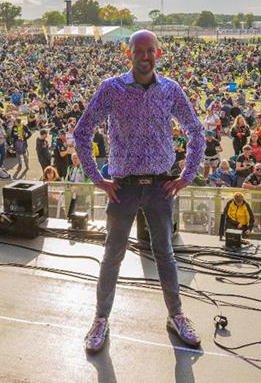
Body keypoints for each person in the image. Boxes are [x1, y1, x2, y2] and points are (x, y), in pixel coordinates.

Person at [73, 30, 204, 353]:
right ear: (128, 53)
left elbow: (196, 131)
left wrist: (186, 176)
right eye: (139, 51)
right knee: (112, 256)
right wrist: (97, 178)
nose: (145, 56)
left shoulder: (170, 89)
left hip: (161, 186)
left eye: (150, 51)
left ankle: (176, 316)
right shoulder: (112, 89)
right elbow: (82, 131)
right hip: (124, 188)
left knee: (166, 256)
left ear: (158, 54)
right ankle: (100, 320)